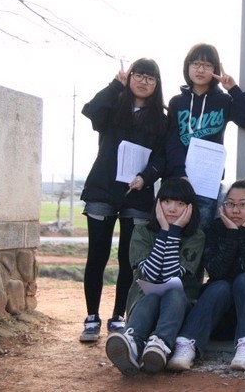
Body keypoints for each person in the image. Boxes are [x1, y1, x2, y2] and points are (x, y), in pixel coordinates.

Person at [79, 58, 168, 342]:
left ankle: (118, 316)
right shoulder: (113, 105)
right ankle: (91, 317)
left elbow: (162, 158)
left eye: (150, 78)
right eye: (138, 75)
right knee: (97, 255)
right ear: (128, 78)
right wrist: (114, 85)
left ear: (157, 84)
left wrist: (146, 177)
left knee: (130, 259)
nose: (143, 81)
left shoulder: (161, 119)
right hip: (103, 189)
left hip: (137, 194)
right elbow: (91, 111)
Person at [166, 174, 245, 372]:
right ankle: (187, 345)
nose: (235, 210)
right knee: (220, 285)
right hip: (221, 316)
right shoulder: (216, 228)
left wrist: (244, 234)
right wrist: (232, 234)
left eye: (243, 205)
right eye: (230, 203)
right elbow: (216, 271)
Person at [104, 178, 205, 376]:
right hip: (143, 303)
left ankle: (160, 344)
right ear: (158, 203)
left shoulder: (196, 236)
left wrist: (173, 232)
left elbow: (170, 277)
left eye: (180, 203)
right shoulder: (142, 231)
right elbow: (150, 275)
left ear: (190, 208)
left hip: (179, 308)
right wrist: (164, 232)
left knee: (173, 292)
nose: (172, 209)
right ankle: (133, 343)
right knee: (151, 295)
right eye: (166, 201)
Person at [164, 43, 245, 230]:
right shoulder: (177, 102)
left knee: (201, 234)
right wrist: (180, 173)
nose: (200, 69)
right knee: (172, 233)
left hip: (207, 182)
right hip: (178, 180)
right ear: (187, 66)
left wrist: (233, 89)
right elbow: (172, 141)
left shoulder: (224, 101)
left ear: (215, 69)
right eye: (195, 64)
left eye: (207, 65)